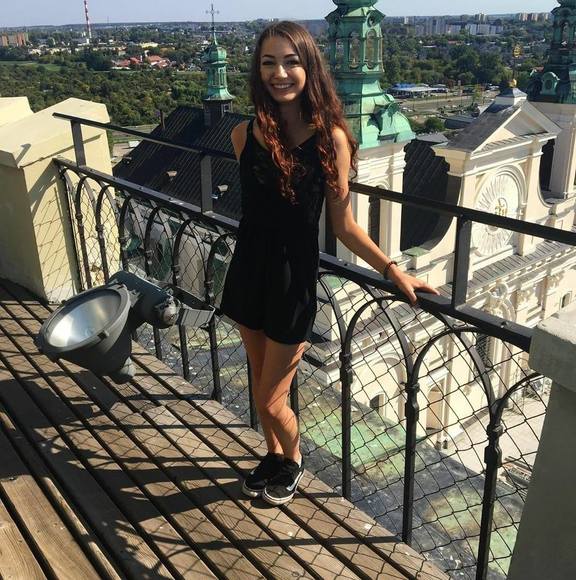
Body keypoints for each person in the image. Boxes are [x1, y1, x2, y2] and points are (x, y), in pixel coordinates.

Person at [219, 21, 439, 506]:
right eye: (269, 63)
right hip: (248, 271)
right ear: (258, 72)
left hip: (292, 281)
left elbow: (344, 226)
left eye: (290, 62)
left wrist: (391, 269)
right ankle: (273, 455)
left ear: (309, 68)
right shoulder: (243, 134)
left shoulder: (330, 139)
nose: (280, 73)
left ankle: (294, 460)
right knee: (258, 381)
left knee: (270, 397)